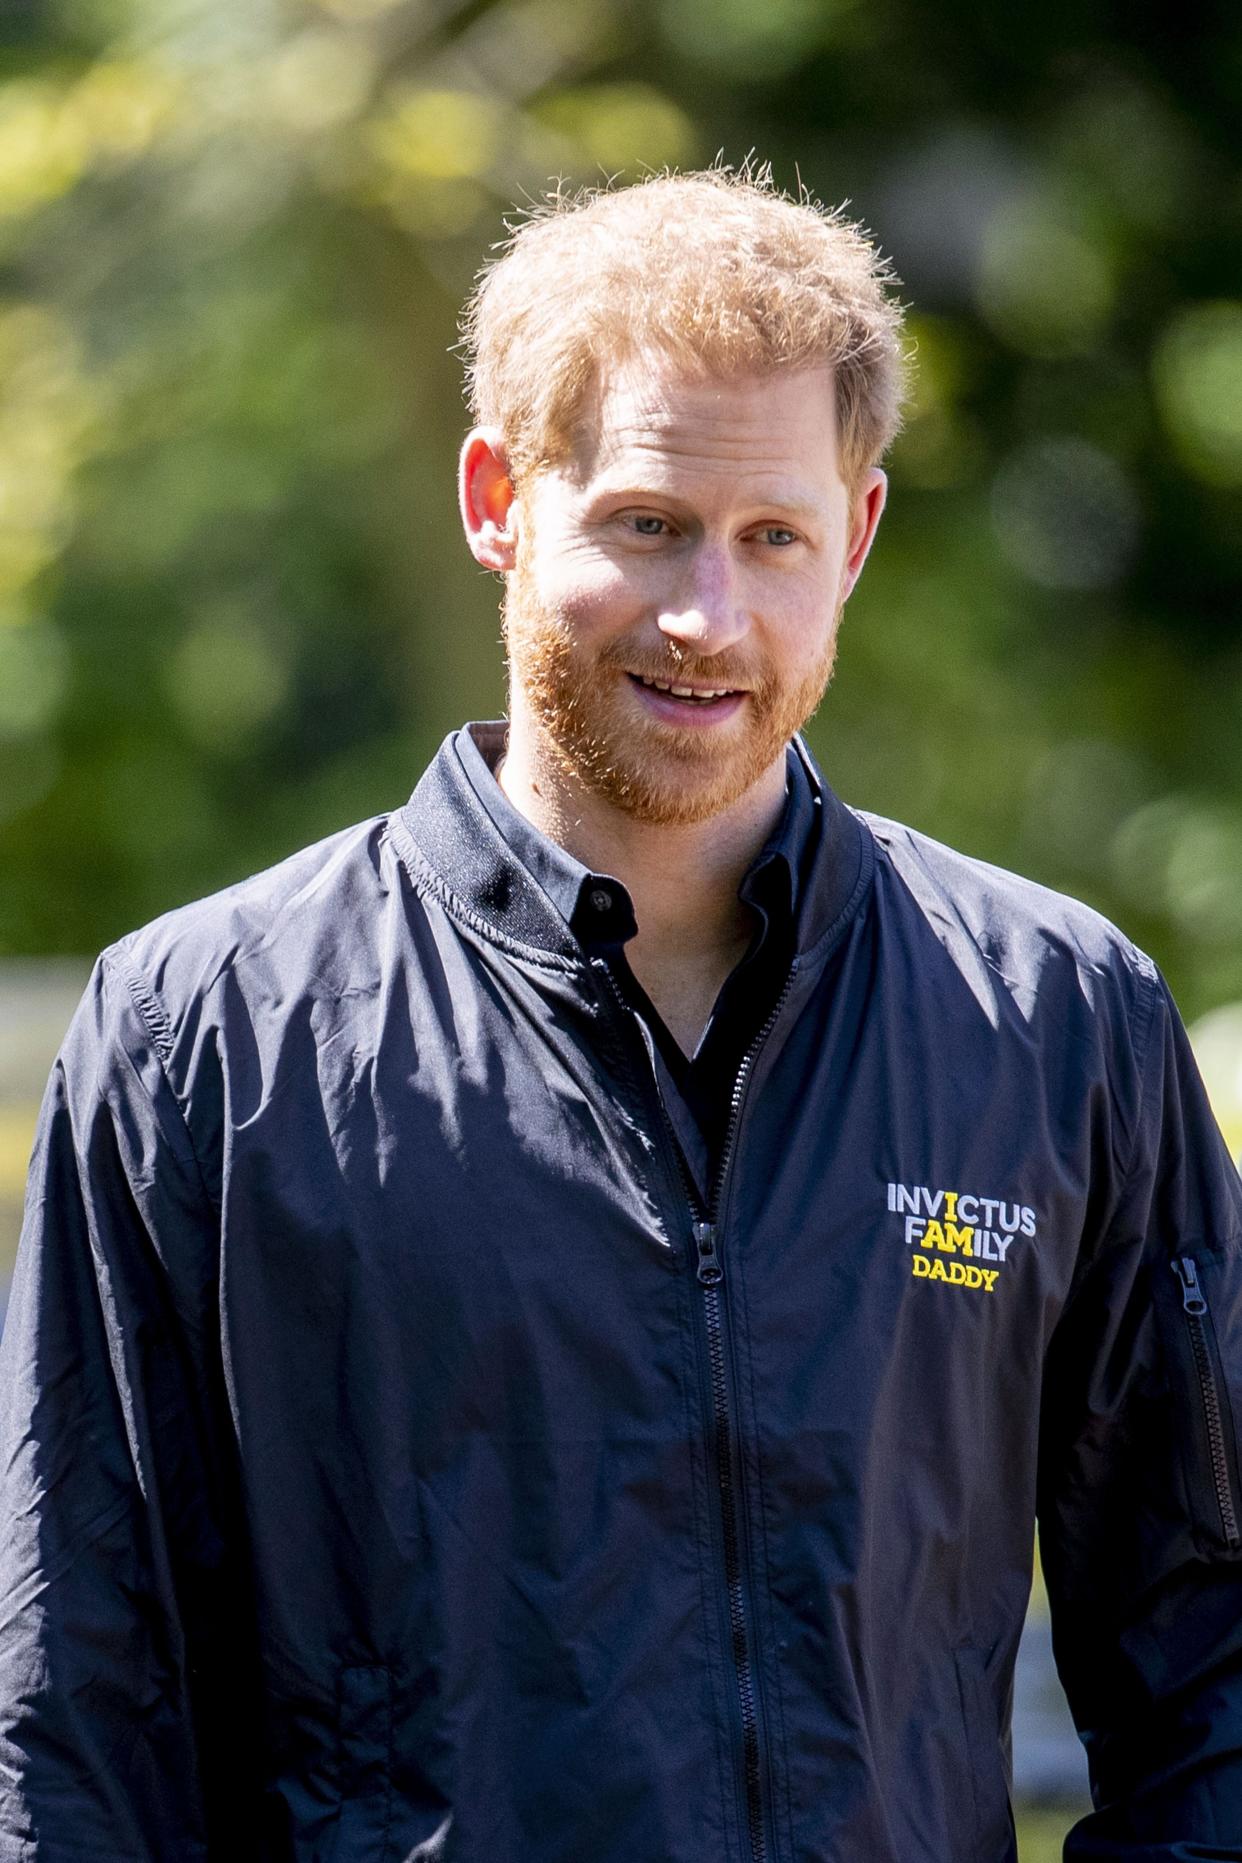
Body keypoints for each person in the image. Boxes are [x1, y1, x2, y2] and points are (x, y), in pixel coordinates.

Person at [1, 166, 1240, 1863]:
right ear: (499, 496)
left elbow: (1215, 1663)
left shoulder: (1053, 1021)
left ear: (856, 534)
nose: (705, 620)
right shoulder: (201, 1038)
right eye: (647, 521)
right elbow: (72, 1724)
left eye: (771, 539)